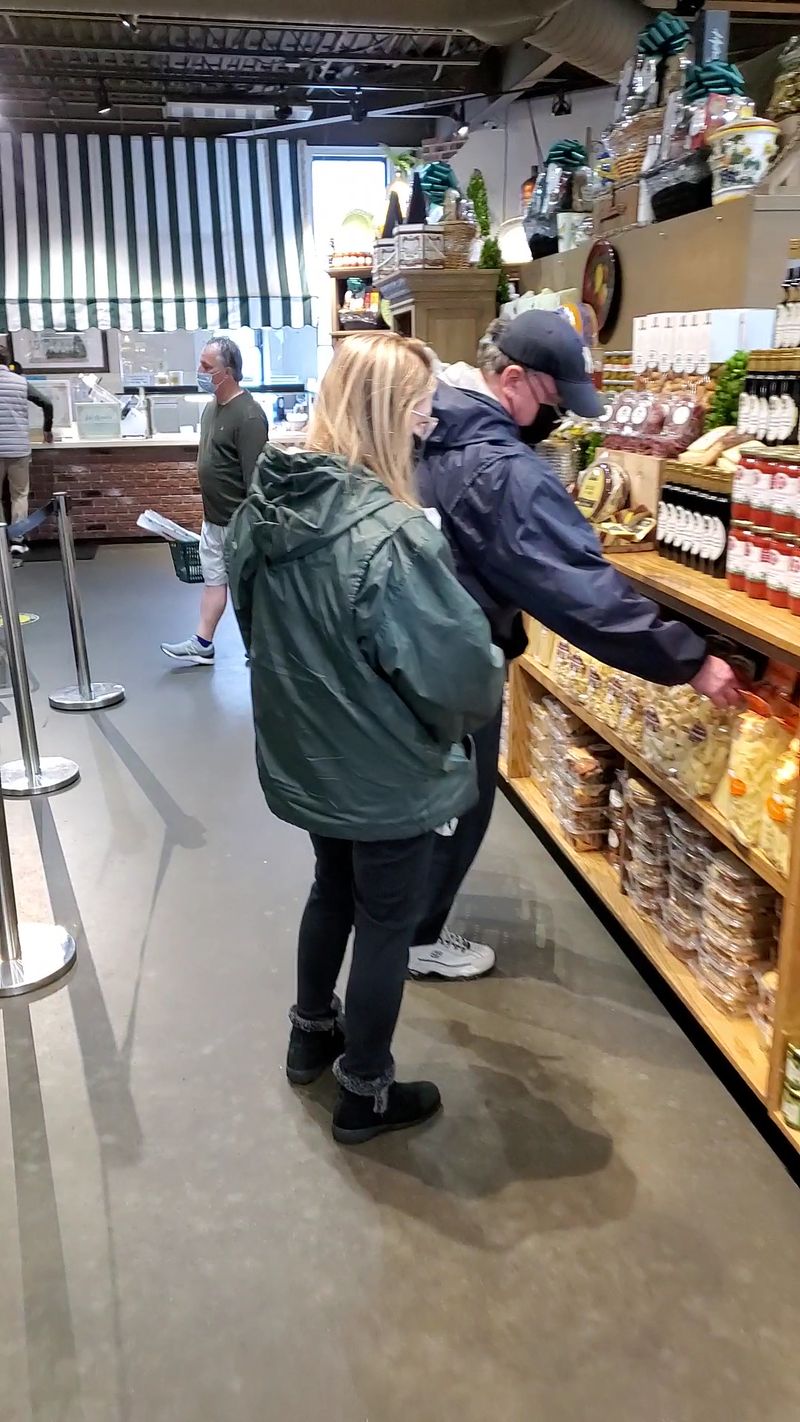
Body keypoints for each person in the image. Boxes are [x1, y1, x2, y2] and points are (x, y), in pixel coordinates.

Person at [226, 332, 505, 1144]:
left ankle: (310, 1034)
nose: (427, 425)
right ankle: (366, 1090)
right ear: (386, 413)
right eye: (420, 409)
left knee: (331, 890)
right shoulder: (393, 536)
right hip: (385, 772)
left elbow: (254, 627)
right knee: (387, 922)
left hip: (310, 755)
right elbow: (457, 676)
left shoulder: (263, 510)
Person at [408, 310, 741, 980]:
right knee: (459, 810)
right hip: (461, 666)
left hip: (420, 653)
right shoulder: (503, 470)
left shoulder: (429, 429)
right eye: (553, 399)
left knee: (430, 808)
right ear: (511, 380)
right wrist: (689, 659)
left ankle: (401, 927)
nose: (555, 417)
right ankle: (416, 940)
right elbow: (580, 592)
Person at [161, 336, 268, 667]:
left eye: (207, 367)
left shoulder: (249, 416)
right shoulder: (211, 409)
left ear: (228, 372)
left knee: (248, 592)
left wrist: (253, 527)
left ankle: (262, 651)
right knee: (213, 582)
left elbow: (255, 479)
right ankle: (202, 643)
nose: (200, 371)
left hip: (239, 523)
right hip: (214, 518)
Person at [0, 346, 53, 556]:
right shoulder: (20, 382)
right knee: (19, 495)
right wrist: (47, 429)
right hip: (18, 447)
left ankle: (0, 541)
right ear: (8, 361)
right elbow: (46, 403)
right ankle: (17, 540)